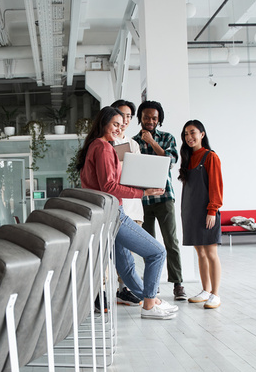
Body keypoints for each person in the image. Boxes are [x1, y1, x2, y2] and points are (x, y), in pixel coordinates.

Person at [77, 106, 178, 320]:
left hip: (103, 214)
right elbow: (109, 186)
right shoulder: (104, 148)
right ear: (103, 123)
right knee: (157, 253)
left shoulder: (95, 146)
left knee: (125, 265)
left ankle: (150, 299)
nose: (119, 127)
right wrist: (144, 191)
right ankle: (150, 304)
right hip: (113, 212)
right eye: (114, 123)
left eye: (121, 124)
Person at [133, 100, 187, 301]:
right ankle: (152, 286)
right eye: (146, 117)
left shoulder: (167, 138)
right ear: (141, 118)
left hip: (164, 197)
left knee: (171, 241)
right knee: (148, 245)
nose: (150, 121)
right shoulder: (132, 142)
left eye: (154, 118)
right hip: (143, 200)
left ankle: (177, 283)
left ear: (159, 120)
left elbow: (170, 162)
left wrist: (152, 143)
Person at [179, 119, 223, 309]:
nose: (189, 137)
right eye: (186, 134)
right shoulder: (188, 158)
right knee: (200, 253)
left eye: (193, 132)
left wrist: (212, 210)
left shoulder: (210, 157)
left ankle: (216, 294)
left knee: (211, 253)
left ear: (202, 135)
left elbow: (216, 186)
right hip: (190, 212)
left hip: (207, 212)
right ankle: (205, 290)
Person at [110, 99, 144, 307]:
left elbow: (137, 174)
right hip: (115, 206)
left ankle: (125, 290)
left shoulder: (133, 144)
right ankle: (108, 290)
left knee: (128, 255)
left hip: (132, 206)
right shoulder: (104, 143)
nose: (125, 120)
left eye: (129, 116)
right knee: (115, 253)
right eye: (122, 115)